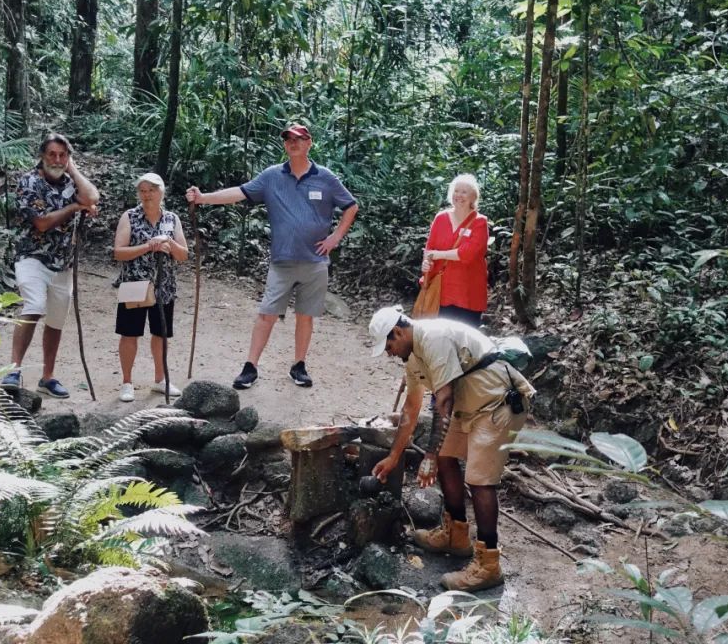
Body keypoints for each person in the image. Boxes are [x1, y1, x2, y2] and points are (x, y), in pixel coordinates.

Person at [368, 306, 534, 592]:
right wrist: (394, 455)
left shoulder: (433, 337)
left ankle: (489, 565)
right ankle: (456, 535)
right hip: (467, 405)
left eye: (388, 345)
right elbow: (412, 405)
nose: (388, 353)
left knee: (480, 480)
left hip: (497, 402)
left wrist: (428, 456)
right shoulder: (413, 355)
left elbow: (443, 400)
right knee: (446, 459)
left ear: (398, 331)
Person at [185, 123, 358, 390]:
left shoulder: (325, 177)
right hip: (282, 260)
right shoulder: (272, 176)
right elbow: (239, 193)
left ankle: (299, 365)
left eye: (299, 139)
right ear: (284, 145)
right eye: (288, 139)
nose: (293, 143)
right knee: (266, 313)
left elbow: (351, 206)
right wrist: (203, 198)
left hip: (315, 261)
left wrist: (335, 238)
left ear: (309, 142)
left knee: (305, 316)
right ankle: (250, 367)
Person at [1, 133, 100, 398]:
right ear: (42, 156)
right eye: (52, 154)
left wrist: (73, 169)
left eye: (62, 155)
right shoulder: (29, 181)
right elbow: (42, 223)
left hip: (63, 263)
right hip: (32, 257)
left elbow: (92, 197)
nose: (56, 159)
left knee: (56, 320)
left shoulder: (70, 182)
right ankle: (13, 369)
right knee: (34, 305)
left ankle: (47, 377)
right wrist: (74, 208)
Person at [113, 173, 190, 402]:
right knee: (129, 334)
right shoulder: (130, 217)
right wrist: (148, 246)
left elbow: (183, 255)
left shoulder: (172, 219)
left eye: (151, 190)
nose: (147, 195)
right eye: (143, 191)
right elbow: (118, 252)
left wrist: (168, 243)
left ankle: (160, 379)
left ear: (161, 193)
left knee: (161, 334)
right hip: (134, 284)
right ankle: (127, 382)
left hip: (164, 286)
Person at [421, 174, 488, 328]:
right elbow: (428, 251)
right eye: (456, 191)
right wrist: (426, 264)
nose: (459, 195)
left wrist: (438, 254)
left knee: (466, 341)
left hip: (468, 291)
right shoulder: (440, 218)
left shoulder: (480, 222)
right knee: (442, 338)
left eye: (464, 192)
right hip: (442, 290)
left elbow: (467, 254)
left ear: (473, 197)